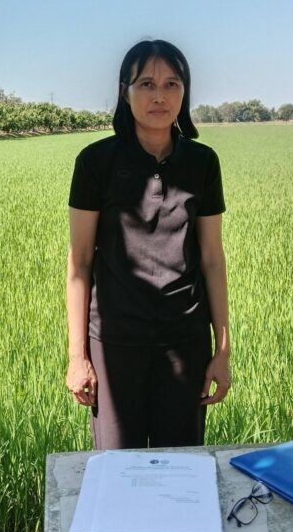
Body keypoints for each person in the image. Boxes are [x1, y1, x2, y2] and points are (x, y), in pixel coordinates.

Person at [65, 39, 231, 450]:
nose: (160, 96)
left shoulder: (202, 162)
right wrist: (77, 357)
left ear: (185, 92)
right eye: (146, 84)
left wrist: (223, 350)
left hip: (185, 340)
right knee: (118, 465)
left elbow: (212, 260)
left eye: (172, 84)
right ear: (125, 92)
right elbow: (80, 263)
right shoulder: (95, 162)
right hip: (114, 341)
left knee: (182, 465)